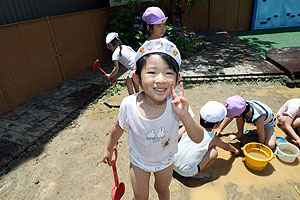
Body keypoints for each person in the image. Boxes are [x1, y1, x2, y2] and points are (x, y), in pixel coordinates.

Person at [101, 38, 204, 200]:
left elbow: (198, 138)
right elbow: (118, 128)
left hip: (166, 161)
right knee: (140, 197)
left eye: (168, 73)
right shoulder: (129, 104)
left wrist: (185, 116)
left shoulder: (178, 105)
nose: (161, 79)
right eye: (152, 72)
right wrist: (108, 149)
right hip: (139, 162)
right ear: (137, 78)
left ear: (177, 79)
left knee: (162, 190)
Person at [173, 101, 240, 180]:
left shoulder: (187, 126)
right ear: (217, 125)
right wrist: (236, 151)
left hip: (170, 163)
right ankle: (196, 174)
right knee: (214, 152)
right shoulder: (214, 139)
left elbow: (174, 138)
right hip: (186, 172)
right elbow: (226, 147)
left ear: (200, 114)